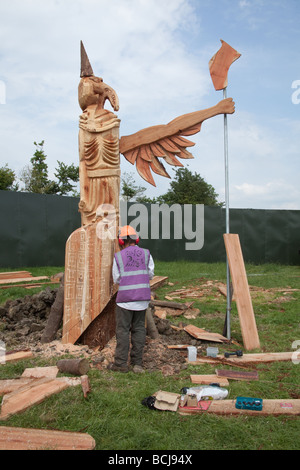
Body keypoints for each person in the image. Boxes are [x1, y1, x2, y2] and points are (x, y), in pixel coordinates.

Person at [108, 225, 155, 373]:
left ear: (121, 241)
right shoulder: (147, 254)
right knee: (139, 329)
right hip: (142, 300)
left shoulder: (118, 256)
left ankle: (121, 364)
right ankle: (137, 364)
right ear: (137, 239)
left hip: (125, 300)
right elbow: (150, 274)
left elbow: (116, 279)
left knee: (122, 330)